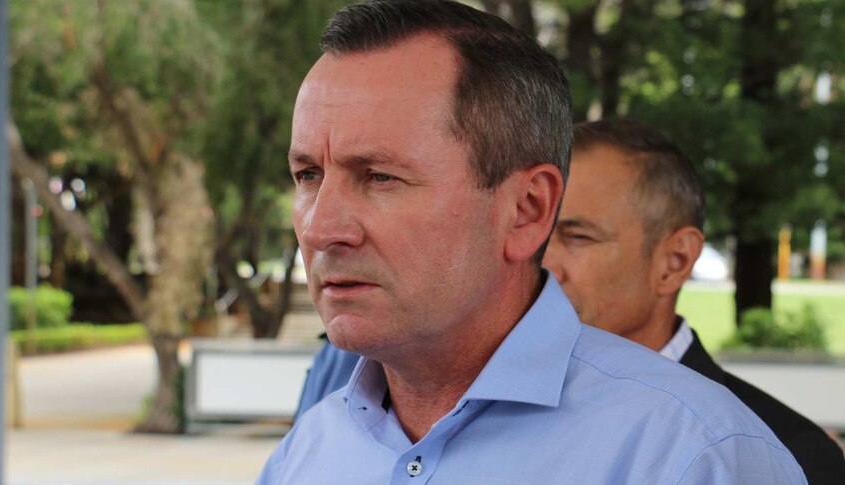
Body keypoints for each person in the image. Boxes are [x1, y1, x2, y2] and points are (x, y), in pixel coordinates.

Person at [258, 1, 806, 483]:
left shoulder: (689, 455)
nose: (319, 227)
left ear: (527, 210)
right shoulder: (309, 451)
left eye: (379, 177)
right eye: (308, 175)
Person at [542, 119, 845, 483]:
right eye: (534, 230)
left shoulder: (781, 453)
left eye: (577, 237)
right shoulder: (481, 406)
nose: (541, 263)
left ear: (675, 262)